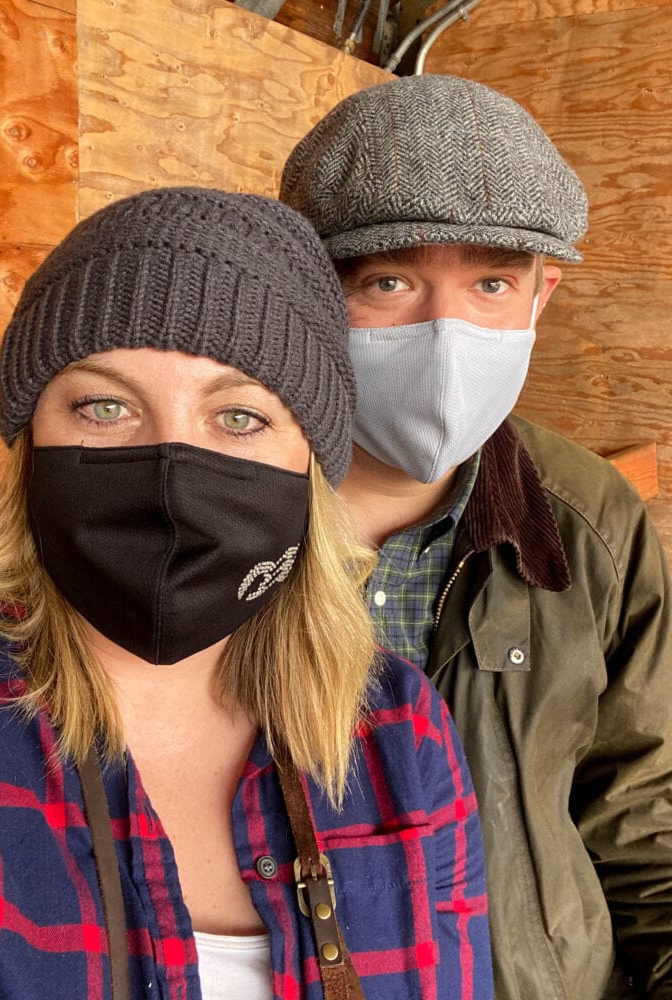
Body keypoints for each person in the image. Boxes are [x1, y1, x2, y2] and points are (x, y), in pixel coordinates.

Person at [0, 187, 493, 999]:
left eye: (239, 418)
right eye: (105, 406)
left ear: (309, 465)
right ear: (30, 437)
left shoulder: (398, 733)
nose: (169, 468)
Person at [279, 74, 672, 1000]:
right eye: (389, 280)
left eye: (491, 281)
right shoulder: (219, 509)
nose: (445, 334)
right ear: (306, 290)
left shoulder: (591, 519)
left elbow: (644, 812)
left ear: (543, 297)